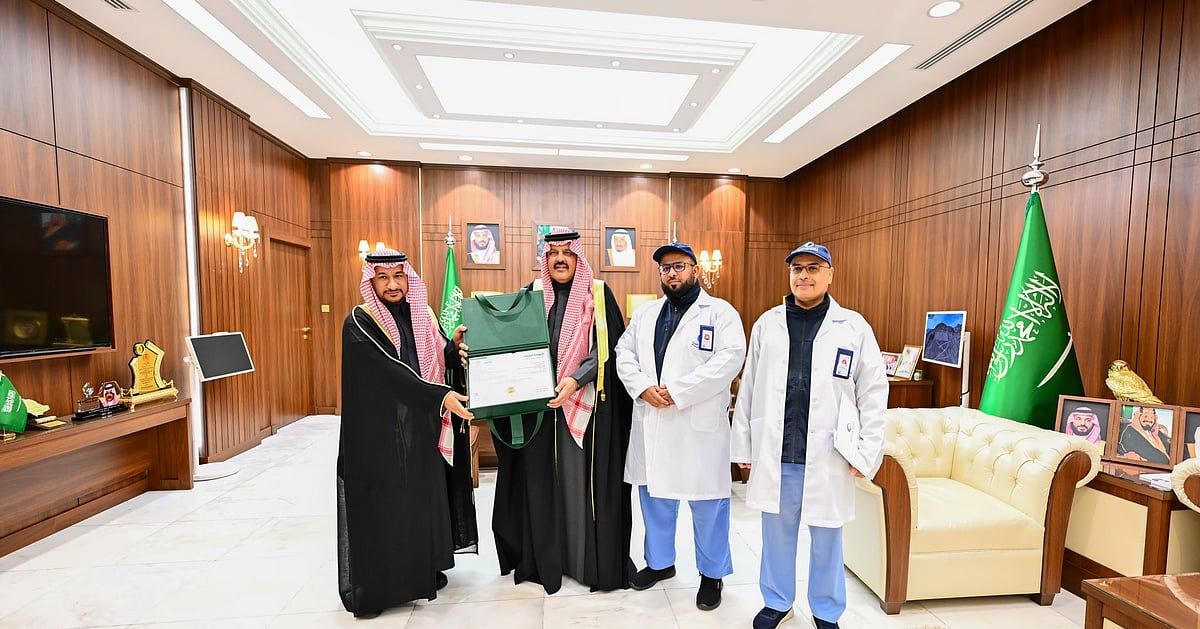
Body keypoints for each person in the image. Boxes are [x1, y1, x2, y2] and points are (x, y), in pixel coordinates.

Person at [464, 229, 633, 594]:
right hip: (538, 413)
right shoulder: (532, 295)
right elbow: (509, 342)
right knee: (544, 489)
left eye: (567, 253)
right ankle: (546, 560)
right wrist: (475, 350)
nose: (559, 259)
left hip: (584, 408)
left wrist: (576, 378)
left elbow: (608, 349)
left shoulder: (598, 295)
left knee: (578, 487)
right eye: (552, 253)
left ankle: (583, 563)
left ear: (578, 258)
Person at [731, 242, 888, 629]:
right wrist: (743, 445)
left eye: (813, 268)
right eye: (797, 268)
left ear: (830, 274)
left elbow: (873, 392)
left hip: (829, 453)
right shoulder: (767, 324)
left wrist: (866, 451)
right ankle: (777, 602)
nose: (803, 275)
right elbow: (749, 386)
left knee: (827, 538)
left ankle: (826, 610)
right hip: (778, 452)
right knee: (776, 535)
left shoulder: (853, 327)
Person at [337, 249, 477, 618]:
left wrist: (452, 349)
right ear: (371, 282)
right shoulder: (360, 322)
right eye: (383, 278)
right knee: (388, 506)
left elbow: (432, 360)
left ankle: (422, 570)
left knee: (420, 500)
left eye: (399, 276)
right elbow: (392, 373)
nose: (392, 285)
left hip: (421, 426)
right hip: (382, 435)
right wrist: (440, 396)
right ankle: (383, 587)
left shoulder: (421, 315)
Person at [614, 241, 746, 611]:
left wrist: (678, 391)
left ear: (695, 270)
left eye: (679, 266)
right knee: (655, 500)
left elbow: (730, 359)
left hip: (696, 426)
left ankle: (712, 574)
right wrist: (643, 387)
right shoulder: (646, 314)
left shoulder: (720, 313)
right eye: (665, 268)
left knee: (708, 506)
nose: (672, 273)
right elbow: (624, 353)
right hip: (654, 420)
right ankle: (660, 563)